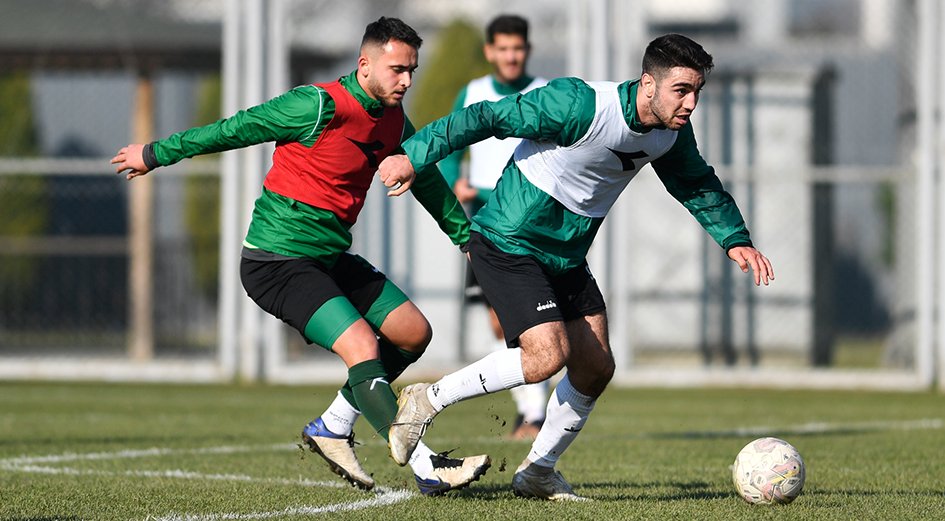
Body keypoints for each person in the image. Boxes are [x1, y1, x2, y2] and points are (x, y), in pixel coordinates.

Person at [377, 33, 775, 501]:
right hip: (509, 237)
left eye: (697, 92)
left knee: (594, 367)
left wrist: (734, 238)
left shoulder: (671, 133)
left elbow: (696, 184)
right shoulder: (580, 104)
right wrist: (413, 155)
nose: (691, 102)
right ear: (648, 84)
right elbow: (484, 116)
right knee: (548, 355)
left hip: (565, 254)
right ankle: (427, 399)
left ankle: (538, 472)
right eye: (682, 90)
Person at [110, 17, 489, 496]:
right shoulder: (316, 104)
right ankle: (428, 466)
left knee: (413, 332)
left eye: (412, 70)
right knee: (361, 347)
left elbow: (427, 178)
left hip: (328, 259)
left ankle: (332, 426)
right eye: (397, 69)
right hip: (276, 262)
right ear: (365, 63)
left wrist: (468, 240)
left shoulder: (393, 119)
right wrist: (155, 152)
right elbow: (234, 129)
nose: (407, 81)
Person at [437, 14, 550, 441]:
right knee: (502, 324)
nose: (510, 56)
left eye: (517, 48)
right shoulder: (474, 93)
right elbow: (450, 147)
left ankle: (536, 415)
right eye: (502, 48)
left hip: (536, 223)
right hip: (487, 221)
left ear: (527, 50)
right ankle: (531, 412)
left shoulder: (545, 94)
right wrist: (455, 183)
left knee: (537, 322)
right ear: (490, 52)